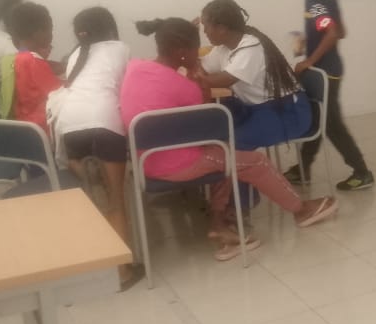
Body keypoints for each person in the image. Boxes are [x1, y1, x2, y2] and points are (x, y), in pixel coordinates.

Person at [122, 18, 337, 260]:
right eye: (195, 49)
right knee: (254, 162)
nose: (198, 54)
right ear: (182, 52)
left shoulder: (134, 68)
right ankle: (302, 210)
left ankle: (220, 223)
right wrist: (197, 79)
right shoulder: (182, 86)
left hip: (144, 160)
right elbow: (206, 116)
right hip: (175, 163)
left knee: (228, 151)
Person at [286, 0, 374, 191]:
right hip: (326, 69)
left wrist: (309, 60)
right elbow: (339, 30)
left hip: (326, 72)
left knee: (331, 124)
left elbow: (333, 32)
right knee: (317, 118)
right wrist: (308, 39)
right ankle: (302, 169)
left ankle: (362, 172)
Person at [55, 7, 131, 246]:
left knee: (92, 194)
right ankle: (123, 265)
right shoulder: (120, 49)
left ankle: (89, 178)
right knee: (117, 201)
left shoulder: (75, 55)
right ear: (109, 27)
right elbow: (125, 91)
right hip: (105, 122)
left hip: (69, 125)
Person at [197, 0, 311, 151]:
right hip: (255, 107)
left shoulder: (251, 47)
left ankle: (250, 167)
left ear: (222, 28)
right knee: (211, 130)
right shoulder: (223, 48)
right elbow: (202, 68)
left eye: (206, 26)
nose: (204, 32)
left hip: (286, 111)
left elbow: (224, 80)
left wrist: (199, 76)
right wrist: (198, 71)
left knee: (228, 145)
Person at [8, 2, 61, 133]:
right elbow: (58, 93)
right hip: (42, 128)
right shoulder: (34, 62)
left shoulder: (16, 59)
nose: (52, 35)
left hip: (24, 125)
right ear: (38, 33)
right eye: (50, 30)